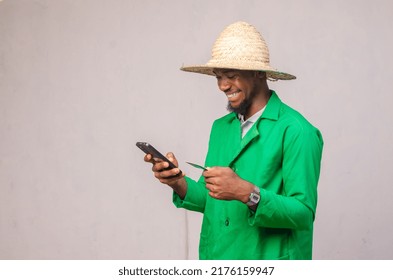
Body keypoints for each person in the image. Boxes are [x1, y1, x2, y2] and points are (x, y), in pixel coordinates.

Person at [143, 21, 323, 260]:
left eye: (231, 75)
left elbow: (303, 214)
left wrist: (248, 193)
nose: (222, 85)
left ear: (259, 73)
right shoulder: (221, 128)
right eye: (218, 76)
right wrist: (177, 182)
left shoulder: (297, 131)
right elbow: (213, 200)